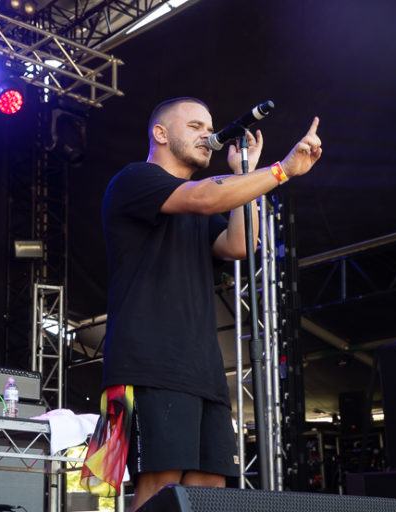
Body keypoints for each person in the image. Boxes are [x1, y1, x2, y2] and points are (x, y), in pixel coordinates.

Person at [98, 98, 321, 510]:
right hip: (151, 361)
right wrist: (282, 170)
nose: (208, 134)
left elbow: (238, 244)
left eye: (210, 126)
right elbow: (203, 197)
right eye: (195, 126)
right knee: (160, 485)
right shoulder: (136, 179)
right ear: (160, 134)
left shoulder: (203, 204)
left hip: (202, 367)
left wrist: (245, 176)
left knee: (209, 489)